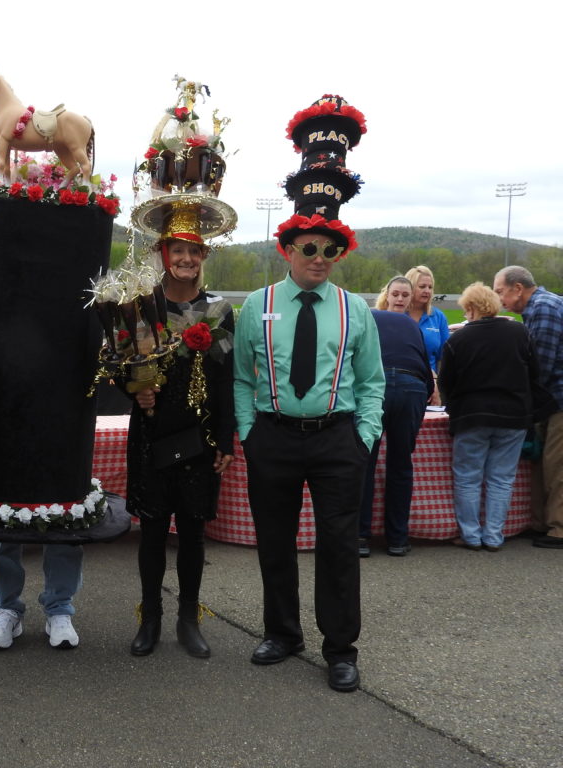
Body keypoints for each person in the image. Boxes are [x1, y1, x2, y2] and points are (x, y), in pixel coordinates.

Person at [234, 94, 382, 693]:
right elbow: (242, 376)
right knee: (274, 541)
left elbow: (372, 382)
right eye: (309, 248)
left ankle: (340, 648)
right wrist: (248, 430)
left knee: (340, 548)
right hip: (272, 436)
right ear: (288, 248)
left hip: (336, 439)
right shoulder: (256, 305)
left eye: (330, 249)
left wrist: (364, 436)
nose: (320, 258)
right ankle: (282, 631)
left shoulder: (356, 310)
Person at [125, 210, 235, 659]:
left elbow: (229, 378)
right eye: (178, 250)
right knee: (152, 531)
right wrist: (136, 391)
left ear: (203, 256)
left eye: (194, 251)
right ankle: (148, 617)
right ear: (163, 253)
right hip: (151, 434)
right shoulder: (138, 306)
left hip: (201, 439)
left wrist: (227, 440)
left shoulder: (220, 311)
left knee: (192, 532)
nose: (186, 258)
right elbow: (120, 364)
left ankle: (188, 618)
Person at [439, 282, 550, 550]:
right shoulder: (519, 332)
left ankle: (471, 535)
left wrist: (454, 407)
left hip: (472, 416)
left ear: (472, 308)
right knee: (502, 478)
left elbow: (446, 384)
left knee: (468, 477)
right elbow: (534, 373)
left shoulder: (457, 340)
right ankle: (493, 536)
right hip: (513, 416)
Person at [359, 276, 433, 557]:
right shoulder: (413, 326)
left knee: (366, 462)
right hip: (412, 388)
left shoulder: (370, 317)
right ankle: (398, 539)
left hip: (377, 388)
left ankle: (360, 537)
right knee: (401, 464)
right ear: (388, 295)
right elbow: (427, 371)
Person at [493, 266, 563, 548]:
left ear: (517, 288)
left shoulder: (544, 309)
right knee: (544, 464)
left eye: (500, 292)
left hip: (557, 399)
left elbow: (540, 367)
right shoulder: (538, 308)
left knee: (556, 466)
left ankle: (558, 529)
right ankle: (541, 524)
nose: (500, 300)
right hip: (550, 401)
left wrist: (516, 399)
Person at [405, 265, 449, 403]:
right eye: (422, 286)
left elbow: (444, 357)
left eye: (430, 287)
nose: (427, 291)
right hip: (400, 383)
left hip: (429, 388)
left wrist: (440, 387)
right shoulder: (397, 314)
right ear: (410, 287)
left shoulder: (438, 317)